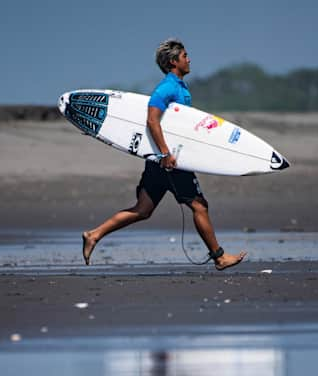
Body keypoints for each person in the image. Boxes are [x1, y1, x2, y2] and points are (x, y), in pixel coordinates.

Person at [82, 38, 246, 270]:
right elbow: (151, 119)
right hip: (170, 162)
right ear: (173, 61)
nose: (189, 59)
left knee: (143, 209)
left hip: (159, 162)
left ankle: (94, 234)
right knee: (199, 206)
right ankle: (218, 256)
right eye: (185, 56)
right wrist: (166, 154)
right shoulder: (167, 88)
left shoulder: (179, 86)